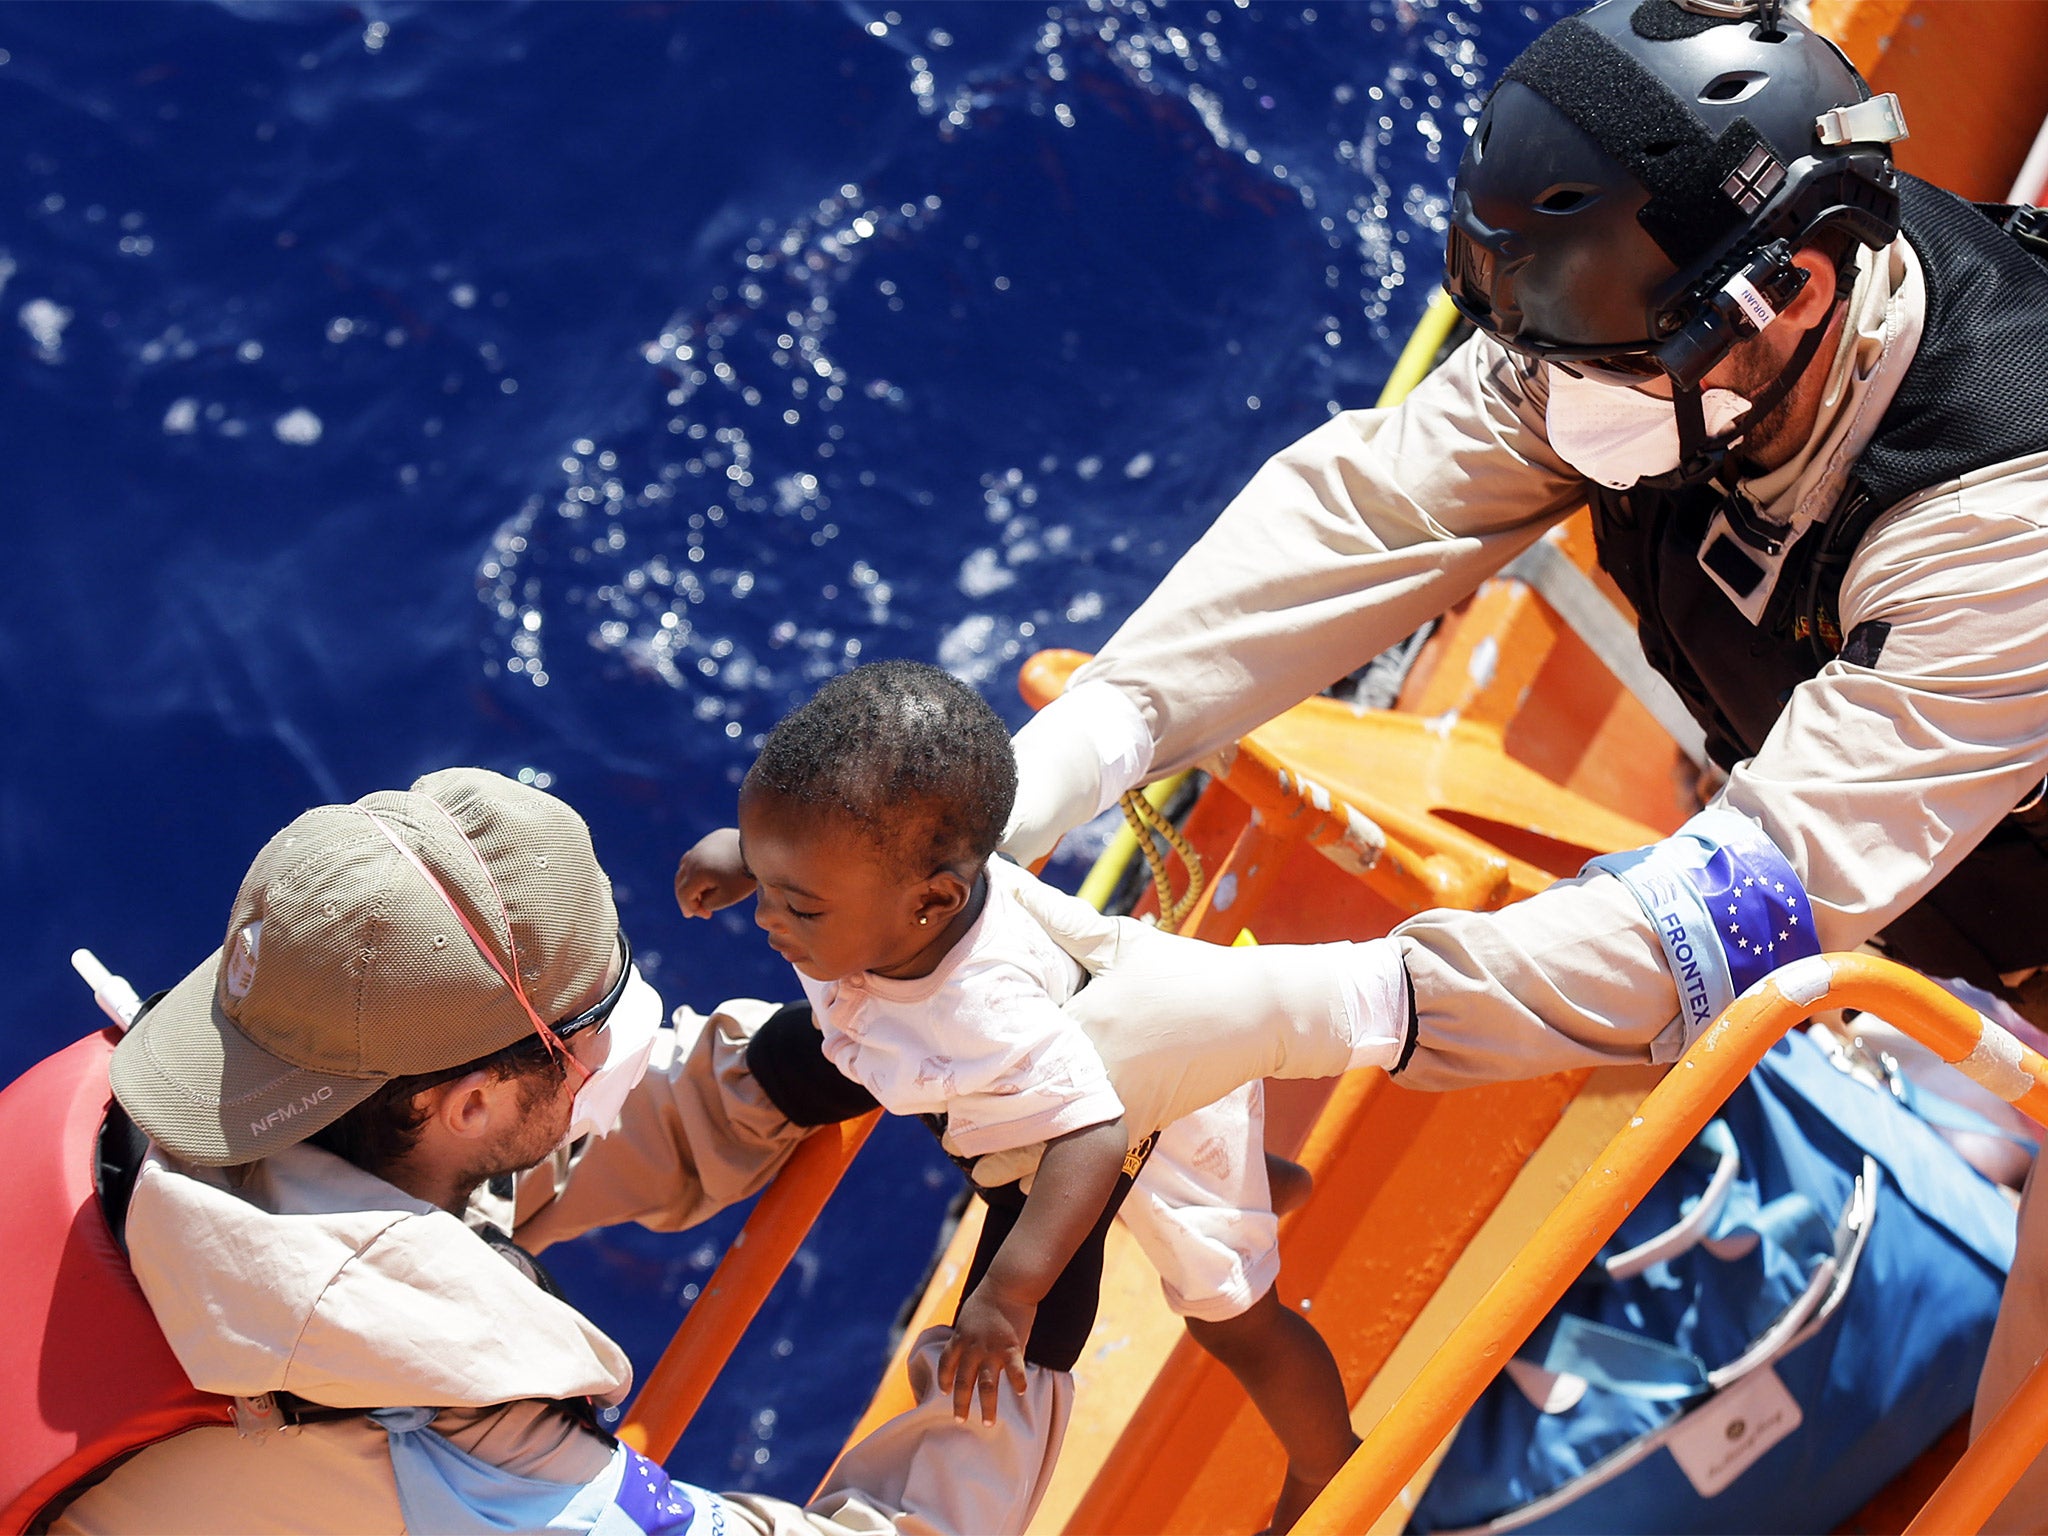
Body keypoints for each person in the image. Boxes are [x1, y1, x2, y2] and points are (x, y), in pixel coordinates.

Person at [997, 0, 2048, 1530]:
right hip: (1957, 860)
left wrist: (1278, 1012)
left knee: (2020, 1481)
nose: (1543, 411)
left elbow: (1735, 918)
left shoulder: (2004, 519)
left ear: (1798, 292)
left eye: (1597, 374)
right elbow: (1369, 511)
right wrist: (1065, 761)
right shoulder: (1651, 336)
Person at [28, 767, 1082, 1534]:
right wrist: (1036, 1299)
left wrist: (794, 1064)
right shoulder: (457, 1459)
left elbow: (491, 1151)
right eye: (581, 1033)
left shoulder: (219, 1106)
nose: (609, 1045)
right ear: (473, 1099)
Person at [674, 660, 1363, 1532]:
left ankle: (1327, 1461)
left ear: (932, 902)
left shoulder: (985, 1007)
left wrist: (1009, 1294)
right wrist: (749, 859)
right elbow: (817, 857)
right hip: (1051, 1100)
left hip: (1137, 1119)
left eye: (797, 904)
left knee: (1234, 1321)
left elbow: (1098, 1138)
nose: (769, 919)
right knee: (1196, 1176)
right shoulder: (889, 902)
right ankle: (1262, 1183)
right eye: (768, 886)